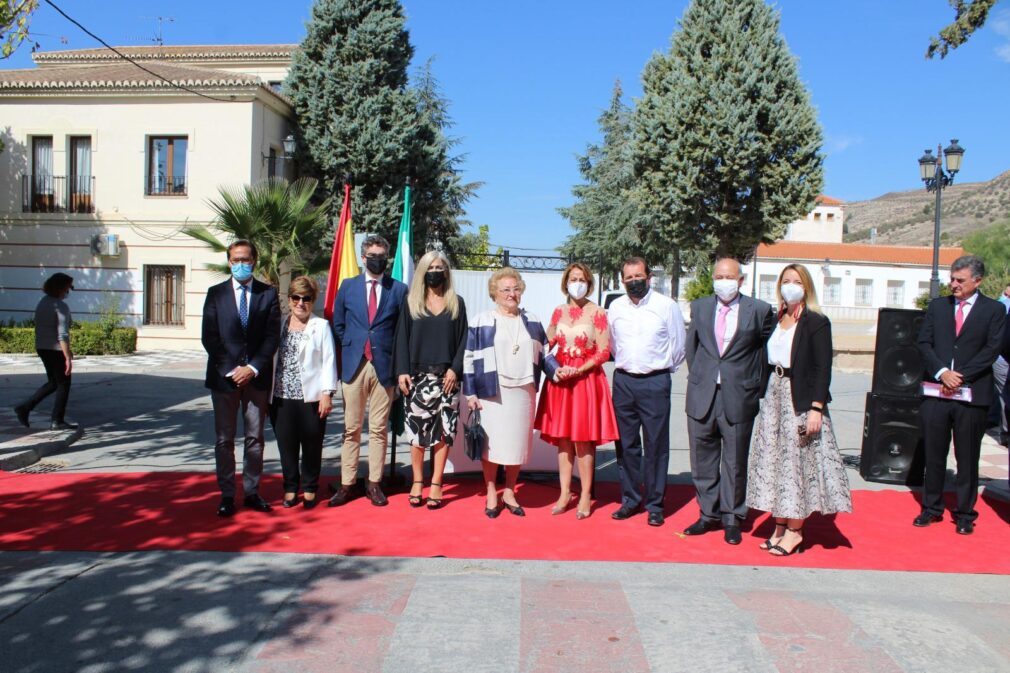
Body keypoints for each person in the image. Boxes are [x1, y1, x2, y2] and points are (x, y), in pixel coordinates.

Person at [746, 264, 851, 556]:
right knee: (774, 462)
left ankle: (795, 531)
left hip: (800, 399)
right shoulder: (778, 317)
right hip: (774, 396)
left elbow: (822, 368)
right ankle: (778, 525)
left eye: (797, 281)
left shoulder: (817, 321)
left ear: (806, 287)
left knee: (796, 466)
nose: (790, 285)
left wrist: (817, 408)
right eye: (786, 281)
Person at [683, 258, 774, 545]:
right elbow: (692, 348)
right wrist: (701, 378)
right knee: (702, 459)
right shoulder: (700, 307)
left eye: (729, 276)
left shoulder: (759, 310)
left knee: (735, 461)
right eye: (719, 276)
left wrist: (754, 388)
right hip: (703, 395)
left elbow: (764, 354)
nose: (724, 281)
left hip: (738, 396)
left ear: (741, 280)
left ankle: (732, 518)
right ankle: (707, 514)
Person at [917, 255, 1005, 535]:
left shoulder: (993, 310)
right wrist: (943, 372)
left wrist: (960, 375)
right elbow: (924, 342)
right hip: (937, 393)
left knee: (967, 457)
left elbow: (992, 350)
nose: (953, 284)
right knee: (934, 455)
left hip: (971, 395)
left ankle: (965, 513)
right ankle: (931, 508)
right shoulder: (938, 307)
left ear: (977, 281)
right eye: (952, 279)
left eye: (960, 280)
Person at [463, 267, 557, 518]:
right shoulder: (481, 320)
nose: (511, 294)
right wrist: (470, 393)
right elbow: (469, 357)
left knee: (516, 446)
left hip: (523, 392)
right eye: (505, 289)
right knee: (492, 447)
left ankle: (510, 491)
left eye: (516, 289)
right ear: (494, 292)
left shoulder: (533, 320)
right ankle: (492, 490)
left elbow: (545, 354)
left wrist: (559, 372)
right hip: (491, 392)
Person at [201, 240, 281, 517]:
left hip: (256, 379)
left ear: (255, 260)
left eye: (245, 259)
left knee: (254, 439)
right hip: (224, 379)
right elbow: (209, 337)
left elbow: (272, 337)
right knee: (224, 439)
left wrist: (253, 368)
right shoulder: (215, 294)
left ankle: (251, 491)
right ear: (228, 261)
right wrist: (232, 369)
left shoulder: (268, 294)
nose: (240, 264)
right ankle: (226, 494)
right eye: (235, 260)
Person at [534, 262, 619, 519]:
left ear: (589, 283)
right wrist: (553, 367)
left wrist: (580, 370)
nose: (577, 283)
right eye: (573, 279)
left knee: (583, 441)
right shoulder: (558, 311)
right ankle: (563, 493)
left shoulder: (598, 312)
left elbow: (605, 350)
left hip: (585, 381)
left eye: (582, 279)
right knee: (563, 441)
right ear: (566, 283)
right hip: (561, 381)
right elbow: (546, 343)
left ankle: (584, 494)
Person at [329, 234, 408, 507]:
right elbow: (338, 323)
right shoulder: (348, 286)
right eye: (372, 255)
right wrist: (353, 346)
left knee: (378, 430)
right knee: (351, 429)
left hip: (384, 368)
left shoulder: (399, 289)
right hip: (354, 365)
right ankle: (347, 483)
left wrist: (399, 370)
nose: (377, 260)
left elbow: (402, 331)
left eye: (382, 256)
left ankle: (374, 483)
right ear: (363, 257)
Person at [607, 257, 686, 527]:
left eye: (638, 276)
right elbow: (614, 345)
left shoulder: (666, 306)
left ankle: (655, 504)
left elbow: (678, 347)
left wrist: (659, 371)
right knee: (626, 445)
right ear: (622, 280)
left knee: (656, 446)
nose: (634, 282)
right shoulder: (615, 307)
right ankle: (630, 500)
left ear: (649, 276)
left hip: (655, 382)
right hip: (624, 382)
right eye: (628, 278)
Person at [393, 251, 468, 510]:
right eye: (431, 267)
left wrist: (455, 370)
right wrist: (402, 370)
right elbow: (401, 338)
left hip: (447, 380)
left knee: (444, 433)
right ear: (423, 271)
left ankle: (436, 482)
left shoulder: (456, 303)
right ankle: (417, 481)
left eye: (440, 267)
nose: (436, 271)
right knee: (417, 434)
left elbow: (463, 342)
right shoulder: (410, 302)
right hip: (416, 379)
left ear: (447, 272)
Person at [270, 276, 337, 510]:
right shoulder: (278, 324)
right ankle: (290, 487)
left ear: (313, 300)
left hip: (311, 397)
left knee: (311, 445)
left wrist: (327, 393)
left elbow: (329, 360)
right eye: (296, 298)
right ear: (289, 300)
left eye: (306, 298)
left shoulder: (321, 326)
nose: (301, 303)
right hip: (280, 397)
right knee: (286, 446)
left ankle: (309, 487)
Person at [13, 272, 78, 431]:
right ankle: (57, 420)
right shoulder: (60, 306)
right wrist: (67, 356)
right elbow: (62, 334)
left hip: (41, 346)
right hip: (55, 348)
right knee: (63, 383)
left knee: (54, 382)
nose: (68, 292)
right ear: (60, 288)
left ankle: (25, 408)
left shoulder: (42, 302)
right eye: (67, 289)